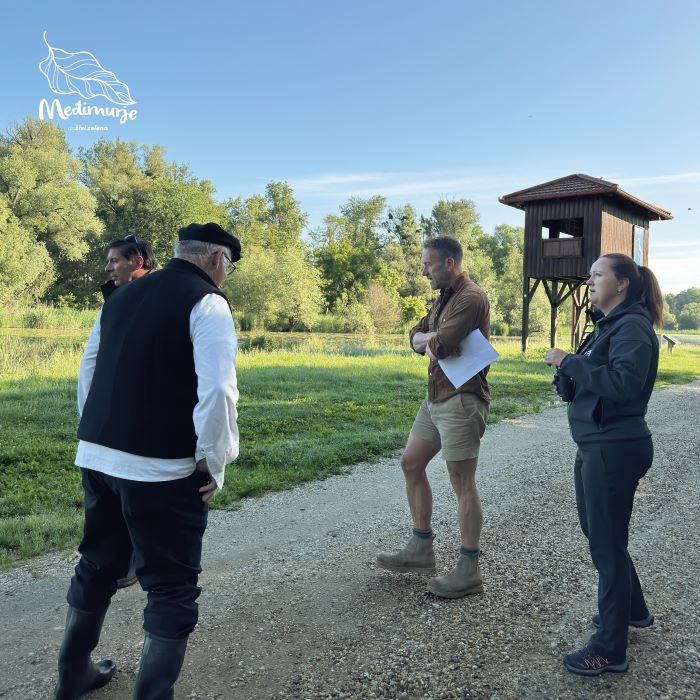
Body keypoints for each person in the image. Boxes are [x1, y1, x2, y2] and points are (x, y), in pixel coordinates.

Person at [53, 223, 240, 699]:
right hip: (161, 469)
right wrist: (213, 459)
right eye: (229, 266)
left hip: (97, 453)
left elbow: (88, 368)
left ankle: (71, 679)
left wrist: (98, 434)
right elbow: (218, 390)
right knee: (172, 586)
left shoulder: (119, 297)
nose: (227, 275)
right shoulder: (207, 302)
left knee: (97, 564)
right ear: (216, 259)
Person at [545, 253, 662, 676]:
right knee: (603, 535)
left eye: (598, 274)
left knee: (606, 546)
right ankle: (633, 611)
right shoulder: (607, 326)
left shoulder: (632, 327)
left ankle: (610, 650)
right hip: (598, 443)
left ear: (622, 284)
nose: (590, 281)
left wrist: (569, 361)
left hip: (614, 447)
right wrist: (568, 380)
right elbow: (596, 380)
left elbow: (625, 385)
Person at [377, 235, 491, 598]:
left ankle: (469, 570)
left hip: (462, 399)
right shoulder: (444, 297)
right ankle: (421, 549)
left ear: (449, 264)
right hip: (436, 396)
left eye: (428, 264)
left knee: (461, 481)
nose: (424, 271)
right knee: (411, 463)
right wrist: (429, 338)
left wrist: (432, 339)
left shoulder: (471, 297)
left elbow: (440, 345)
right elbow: (416, 335)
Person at [82, 234, 157, 589]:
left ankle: (133, 564)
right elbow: (90, 362)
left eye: (114, 260)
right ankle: (125, 563)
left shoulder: (157, 300)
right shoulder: (113, 301)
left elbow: (92, 362)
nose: (107, 268)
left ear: (137, 261)